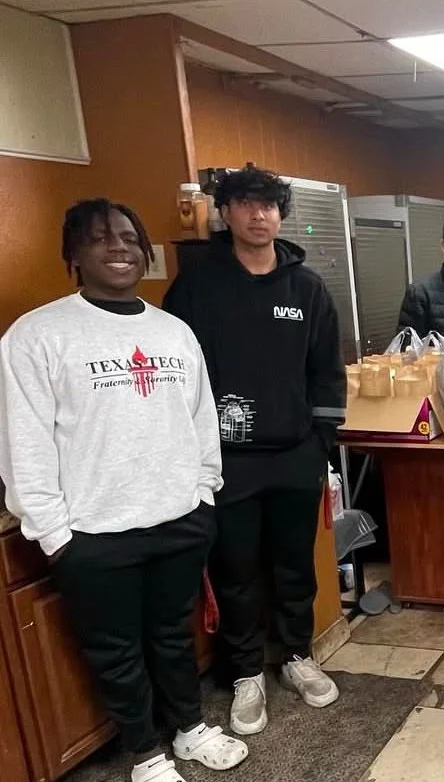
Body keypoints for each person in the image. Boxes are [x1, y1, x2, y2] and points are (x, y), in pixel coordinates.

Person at [0, 200, 247, 782]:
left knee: (173, 636)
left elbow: (202, 421)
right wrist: (55, 535)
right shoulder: (36, 336)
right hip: (93, 533)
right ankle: (145, 755)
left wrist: (203, 496)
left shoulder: (173, 331)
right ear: (72, 254)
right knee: (115, 653)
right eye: (99, 238)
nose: (119, 248)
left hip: (179, 519)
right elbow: (23, 444)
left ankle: (189, 729)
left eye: (130, 238)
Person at [164, 168, 345, 738]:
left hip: (295, 454)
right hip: (227, 461)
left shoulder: (307, 287)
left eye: (268, 205)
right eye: (245, 203)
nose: (258, 215)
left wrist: (320, 442)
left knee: (294, 565)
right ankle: (245, 672)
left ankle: (296, 655)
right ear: (225, 213)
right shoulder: (196, 287)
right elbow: (178, 377)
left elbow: (326, 370)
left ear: (281, 214)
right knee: (235, 569)